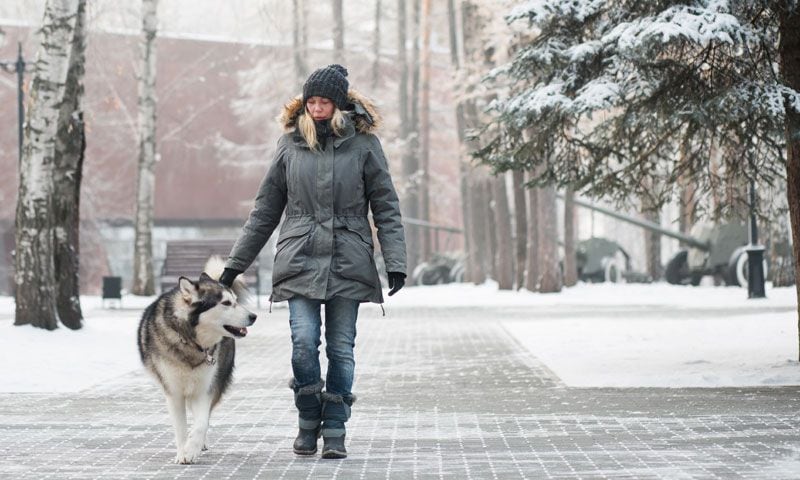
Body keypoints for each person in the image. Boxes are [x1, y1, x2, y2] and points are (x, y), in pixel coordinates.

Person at [219, 64, 407, 459]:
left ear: (338, 104)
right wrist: (234, 266)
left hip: (349, 258)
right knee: (303, 344)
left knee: (341, 348)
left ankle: (335, 427)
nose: (317, 108)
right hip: (300, 258)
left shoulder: (365, 145)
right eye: (311, 101)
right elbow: (265, 210)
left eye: (324, 101)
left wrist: (396, 261)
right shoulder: (289, 145)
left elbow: (386, 207)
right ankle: (308, 419)